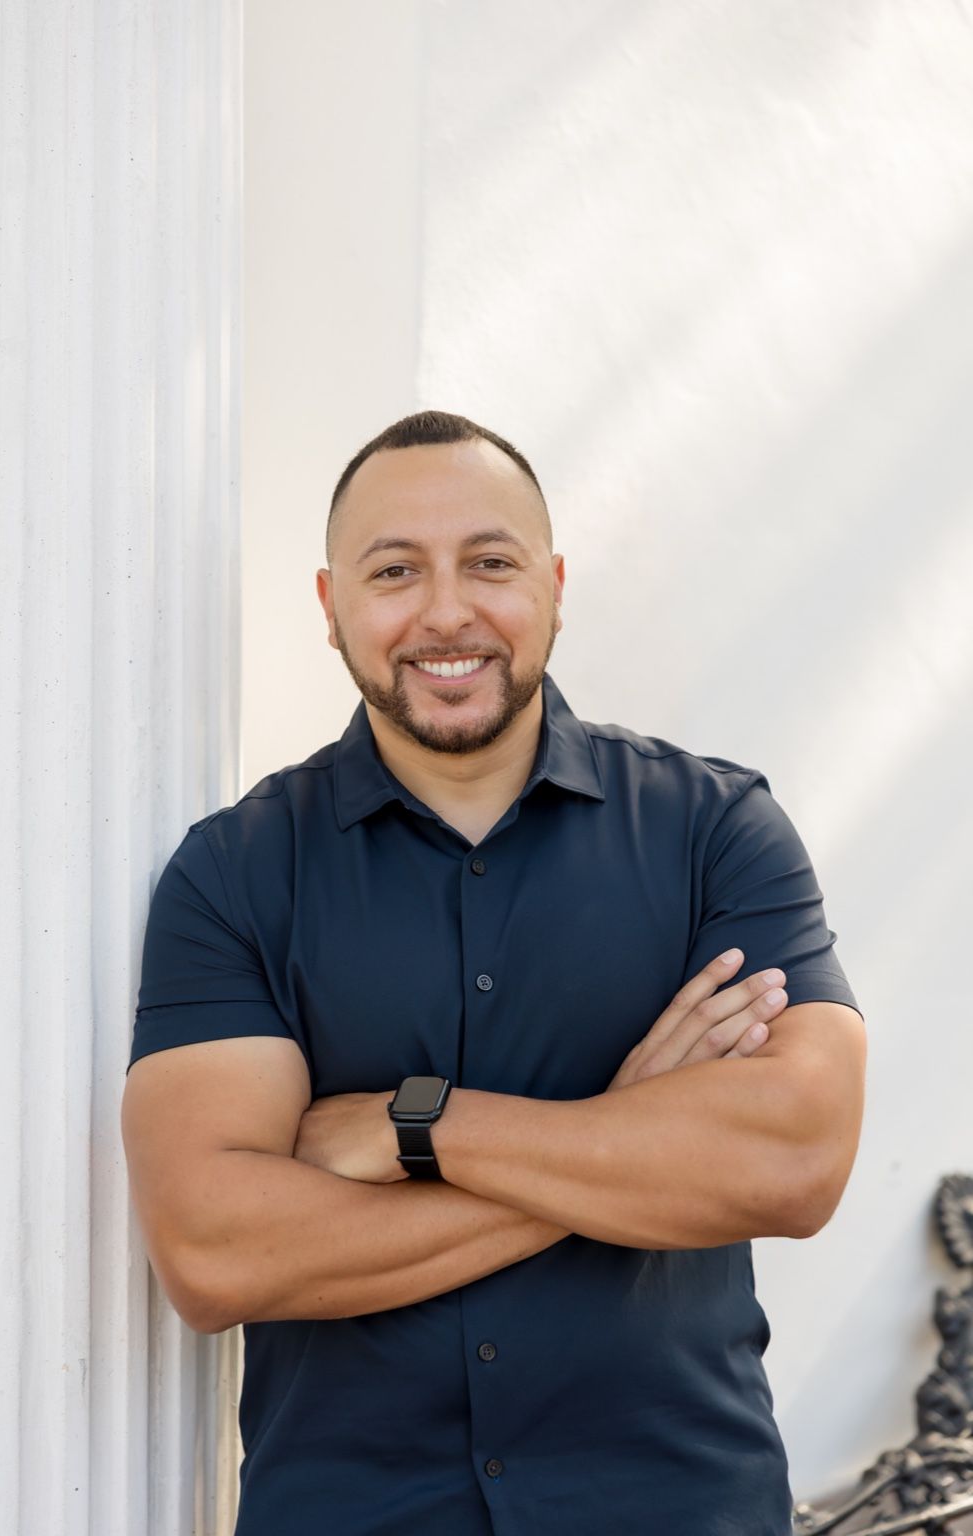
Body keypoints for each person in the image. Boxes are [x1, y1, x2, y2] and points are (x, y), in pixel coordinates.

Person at [121, 410, 867, 1536]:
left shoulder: (715, 833)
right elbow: (214, 1251)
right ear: (330, 606)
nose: (445, 611)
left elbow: (795, 1159)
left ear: (554, 588)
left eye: (490, 562)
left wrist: (413, 1129)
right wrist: (623, 1132)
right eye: (394, 571)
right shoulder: (234, 875)